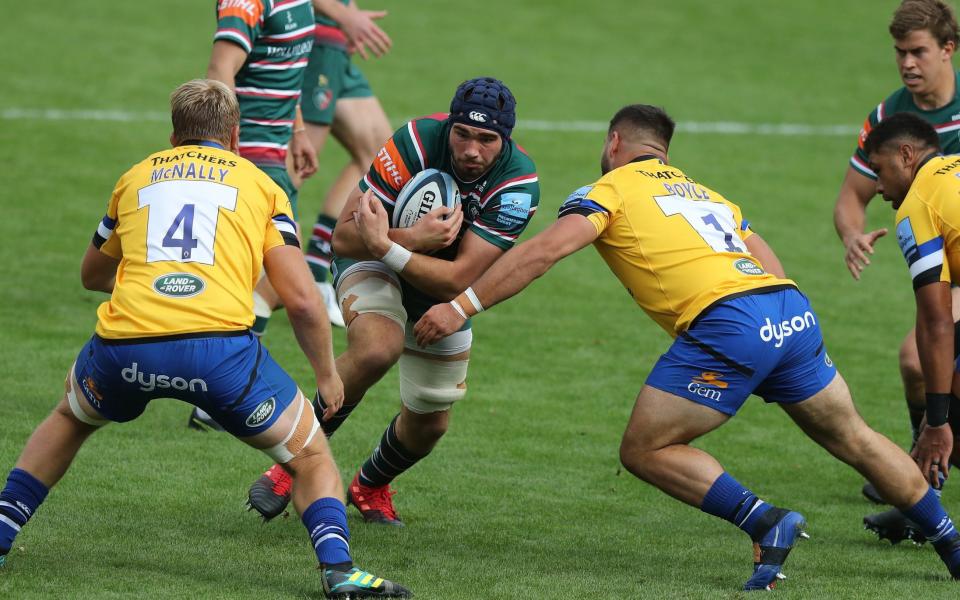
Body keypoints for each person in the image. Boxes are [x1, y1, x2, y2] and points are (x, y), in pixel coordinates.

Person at [410, 104, 960, 590]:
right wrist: (771, 337)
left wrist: (459, 307)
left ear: (613, 145)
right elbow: (767, 261)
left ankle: (766, 521)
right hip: (788, 310)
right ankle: (953, 547)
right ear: (663, 152)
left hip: (728, 323)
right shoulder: (709, 194)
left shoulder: (607, 191)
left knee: (644, 449)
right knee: (856, 438)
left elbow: (543, 253)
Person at [0, 80, 410, 599]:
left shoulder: (136, 176)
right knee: (309, 457)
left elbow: (92, 274)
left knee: (71, 417)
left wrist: (148, 283)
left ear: (174, 135)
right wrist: (328, 376)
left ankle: (1, 534)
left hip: (125, 347)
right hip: (220, 355)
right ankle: (338, 570)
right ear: (236, 136)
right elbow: (304, 301)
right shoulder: (261, 186)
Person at [244, 77, 540, 526]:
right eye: (462, 134)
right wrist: (403, 242)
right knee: (376, 348)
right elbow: (344, 237)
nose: (471, 150)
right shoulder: (415, 141)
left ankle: (369, 485)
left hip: (440, 292)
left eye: (487, 139)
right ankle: (291, 464)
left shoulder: (518, 184)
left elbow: (457, 277)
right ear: (449, 126)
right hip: (373, 264)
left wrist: (387, 243)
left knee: (429, 423)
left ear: (506, 140)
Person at [832, 0, 960, 533]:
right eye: (899, 53)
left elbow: (934, 319)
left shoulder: (917, 202)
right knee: (924, 365)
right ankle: (924, 475)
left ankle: (924, 467)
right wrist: (852, 234)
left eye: (918, 52)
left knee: (921, 355)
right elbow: (850, 197)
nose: (907, 63)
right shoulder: (888, 117)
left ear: (947, 50)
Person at [189, 0, 320, 431]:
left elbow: (287, 68)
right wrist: (230, 150)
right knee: (282, 282)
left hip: (274, 157)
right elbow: (220, 68)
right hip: (253, 163)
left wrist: (297, 131)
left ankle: (213, 390)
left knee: (265, 283)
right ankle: (217, 390)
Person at [867, 112, 960, 495]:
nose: (876, 186)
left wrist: (936, 422)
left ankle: (922, 503)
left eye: (879, 170)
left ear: (906, 155)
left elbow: (937, 321)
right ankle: (923, 501)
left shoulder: (918, 202)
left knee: (951, 420)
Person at [301, 0, 394, 329]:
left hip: (334, 42)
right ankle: (235, 274)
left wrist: (347, 14)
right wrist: (344, 15)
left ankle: (314, 271)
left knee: (381, 157)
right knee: (297, 166)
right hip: (314, 41)